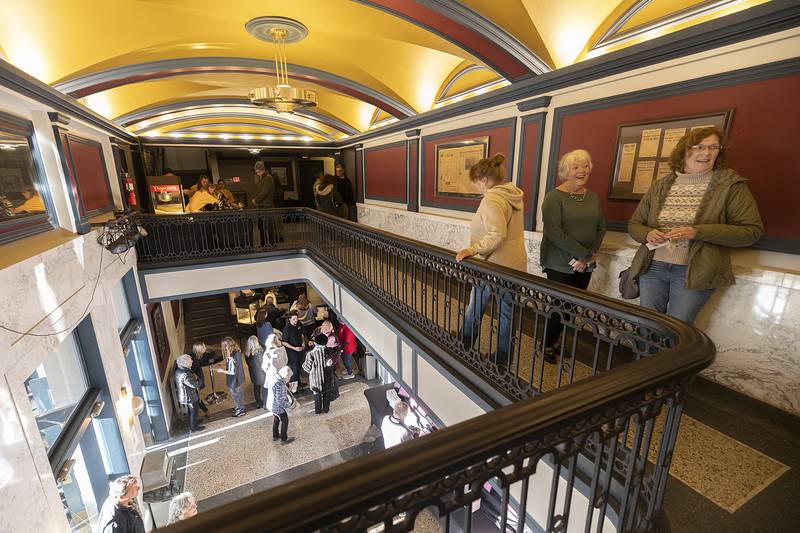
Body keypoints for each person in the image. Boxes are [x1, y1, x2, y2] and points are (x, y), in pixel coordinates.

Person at [628, 126, 763, 325]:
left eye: (713, 147)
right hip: (653, 266)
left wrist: (698, 232)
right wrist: (648, 234)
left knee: (678, 329)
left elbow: (751, 231)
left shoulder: (731, 186)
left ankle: (672, 358)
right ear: (684, 150)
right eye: (699, 147)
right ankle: (646, 358)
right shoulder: (660, 185)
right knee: (647, 324)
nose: (706, 153)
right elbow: (634, 225)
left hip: (695, 270)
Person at [455, 154, 525, 366]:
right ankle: (502, 358)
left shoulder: (492, 199)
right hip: (513, 266)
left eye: (476, 182)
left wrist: (472, 249)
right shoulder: (512, 195)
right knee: (506, 314)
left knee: (475, 307)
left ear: (483, 179)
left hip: (493, 266)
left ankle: (463, 343)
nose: (477, 187)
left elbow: (497, 234)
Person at [540, 149, 606, 362]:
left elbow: (600, 227)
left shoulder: (593, 197)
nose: (581, 170)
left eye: (585, 166)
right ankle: (547, 344)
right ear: (565, 172)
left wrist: (588, 257)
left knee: (572, 305)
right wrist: (584, 255)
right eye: (575, 167)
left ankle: (556, 341)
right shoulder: (553, 197)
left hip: (585, 262)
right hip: (559, 262)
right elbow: (554, 233)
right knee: (560, 306)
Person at [214, 336, 246, 417]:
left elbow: (231, 371)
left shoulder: (231, 356)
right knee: (239, 394)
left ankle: (241, 410)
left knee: (236, 395)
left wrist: (221, 370)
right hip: (239, 377)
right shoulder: (236, 351)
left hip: (234, 380)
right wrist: (224, 364)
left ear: (226, 346)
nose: (222, 348)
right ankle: (240, 407)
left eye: (223, 346)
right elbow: (234, 364)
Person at [303, 334, 334, 414]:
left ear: (316, 343)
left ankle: (318, 411)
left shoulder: (311, 354)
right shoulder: (330, 351)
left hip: (316, 380)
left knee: (317, 396)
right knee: (327, 395)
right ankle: (326, 409)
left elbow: (307, 367)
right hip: (328, 378)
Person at [175, 354, 205, 432]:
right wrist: (200, 379)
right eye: (190, 360)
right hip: (189, 396)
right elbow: (195, 385)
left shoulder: (180, 370)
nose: (192, 361)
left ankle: (192, 422)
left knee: (191, 411)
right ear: (185, 363)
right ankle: (193, 427)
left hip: (186, 395)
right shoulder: (185, 374)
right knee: (193, 411)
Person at [268, 365, 295, 444]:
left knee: (276, 419)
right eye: (289, 377)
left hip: (271, 405)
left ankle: (275, 435)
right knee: (284, 420)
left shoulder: (275, 378)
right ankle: (284, 439)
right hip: (278, 407)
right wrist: (289, 405)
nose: (289, 379)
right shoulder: (280, 384)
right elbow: (280, 400)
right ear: (286, 376)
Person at [281, 311, 307, 393]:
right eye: (294, 319)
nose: (296, 320)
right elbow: (284, 342)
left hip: (300, 350)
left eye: (297, 318)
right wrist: (294, 348)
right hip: (292, 352)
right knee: (294, 369)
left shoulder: (299, 324)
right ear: (289, 319)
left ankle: (298, 383)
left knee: (299, 367)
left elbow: (302, 335)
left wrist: (303, 343)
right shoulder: (287, 329)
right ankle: (292, 388)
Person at [330, 311, 357, 379]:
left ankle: (350, 373)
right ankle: (348, 369)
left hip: (348, 348)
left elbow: (347, 341)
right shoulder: (343, 324)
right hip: (343, 345)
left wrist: (341, 349)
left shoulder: (348, 328)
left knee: (347, 360)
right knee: (345, 359)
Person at [245, 335, 267, 407]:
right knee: (265, 388)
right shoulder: (261, 351)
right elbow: (263, 363)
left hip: (253, 374)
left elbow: (248, 364)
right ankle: (266, 402)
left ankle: (258, 402)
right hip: (262, 373)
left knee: (256, 388)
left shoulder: (247, 353)